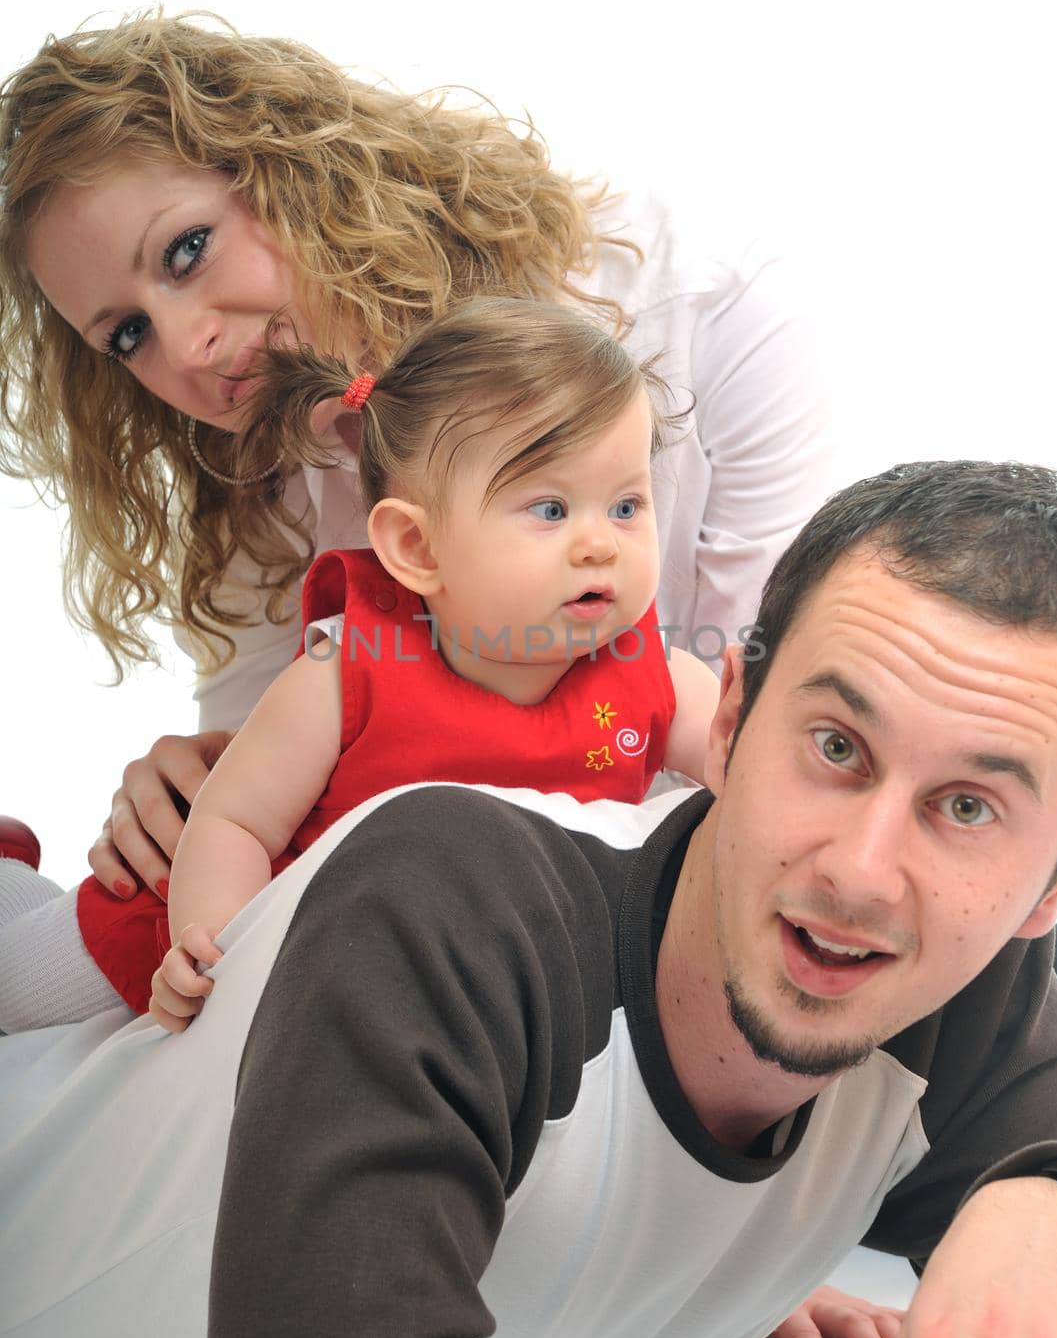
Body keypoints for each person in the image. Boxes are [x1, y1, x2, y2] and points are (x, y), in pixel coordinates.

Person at [1, 458, 1057, 1338]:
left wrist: (1035, 1198)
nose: (861, 871)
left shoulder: (965, 996)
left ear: (1047, 892)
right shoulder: (448, 901)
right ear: (727, 722)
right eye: (835, 746)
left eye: (966, 806)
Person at [0, 10, 831, 974]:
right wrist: (193, 788)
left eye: (187, 250)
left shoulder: (700, 313)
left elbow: (763, 736)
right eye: (127, 334)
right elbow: (276, 780)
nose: (187, 349)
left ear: (301, 170)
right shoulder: (253, 466)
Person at [2, 299, 720, 1030]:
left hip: (438, 965)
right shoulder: (349, 672)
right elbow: (236, 823)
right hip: (252, 909)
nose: (602, 544)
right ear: (417, 548)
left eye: (627, 506)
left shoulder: (658, 678)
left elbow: (751, 764)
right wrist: (220, 948)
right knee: (17, 984)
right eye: (549, 509)